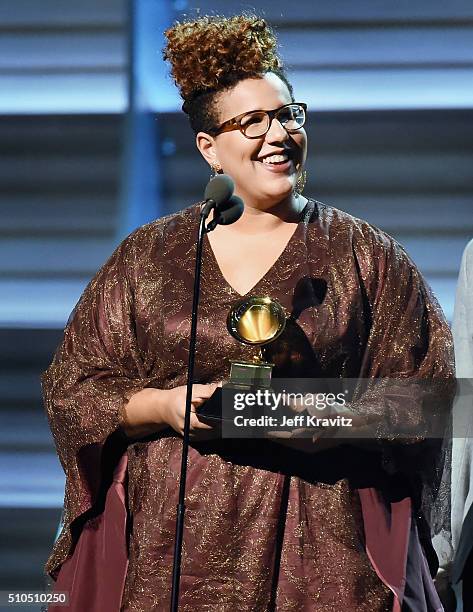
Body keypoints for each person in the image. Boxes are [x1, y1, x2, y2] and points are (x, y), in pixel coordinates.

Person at [42, 14, 454, 611]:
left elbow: (428, 400)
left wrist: (315, 418)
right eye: (253, 121)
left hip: (323, 545)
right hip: (174, 546)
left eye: (289, 115)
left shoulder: (366, 255)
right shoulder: (150, 257)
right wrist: (165, 406)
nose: (280, 133)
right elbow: (71, 389)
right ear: (210, 148)